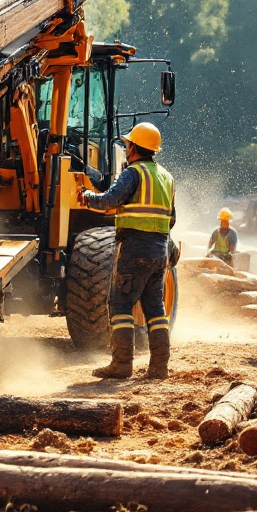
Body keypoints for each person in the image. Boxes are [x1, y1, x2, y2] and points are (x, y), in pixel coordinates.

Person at [80, 121, 176, 380]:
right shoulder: (166, 177)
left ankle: (122, 365)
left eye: (128, 144)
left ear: (134, 147)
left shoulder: (133, 173)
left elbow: (109, 201)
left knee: (120, 304)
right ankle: (159, 368)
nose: (126, 148)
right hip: (159, 251)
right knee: (155, 308)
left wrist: (87, 197)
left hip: (134, 248)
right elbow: (171, 219)